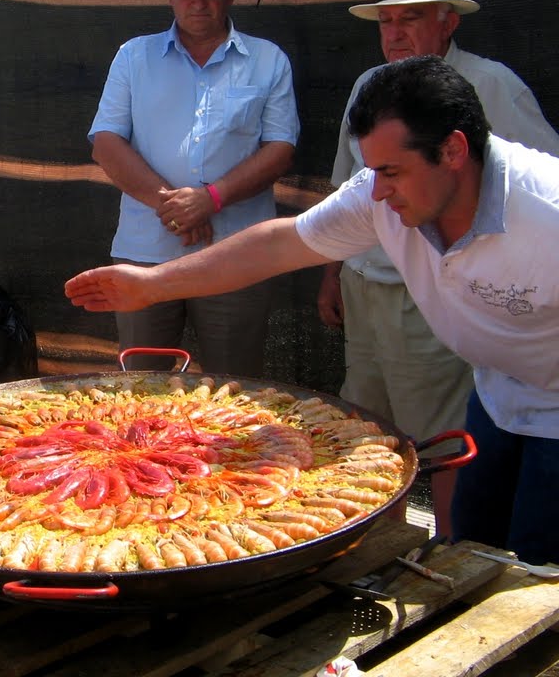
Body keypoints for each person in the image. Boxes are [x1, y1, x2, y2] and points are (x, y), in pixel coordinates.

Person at [67, 55, 559, 564]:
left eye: (392, 171)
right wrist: (151, 284)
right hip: (498, 393)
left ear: (454, 149)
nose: (380, 191)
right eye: (372, 171)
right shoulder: (380, 192)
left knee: (537, 573)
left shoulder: (548, 211)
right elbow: (280, 245)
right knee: (476, 546)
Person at [315, 0, 559, 534]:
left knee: (439, 433)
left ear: (448, 21)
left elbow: (542, 174)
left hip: (429, 292)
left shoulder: (490, 84)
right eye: (386, 21)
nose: (395, 34)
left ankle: (446, 549)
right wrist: (333, 270)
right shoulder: (369, 86)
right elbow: (347, 186)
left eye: (412, 18)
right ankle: (382, 548)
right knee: (364, 426)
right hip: (366, 283)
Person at [87, 0, 298, 376]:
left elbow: (281, 149)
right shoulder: (132, 57)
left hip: (237, 253)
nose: (198, 3)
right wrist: (172, 204)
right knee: (141, 388)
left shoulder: (268, 60)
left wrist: (211, 199)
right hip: (146, 250)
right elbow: (105, 142)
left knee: (234, 388)